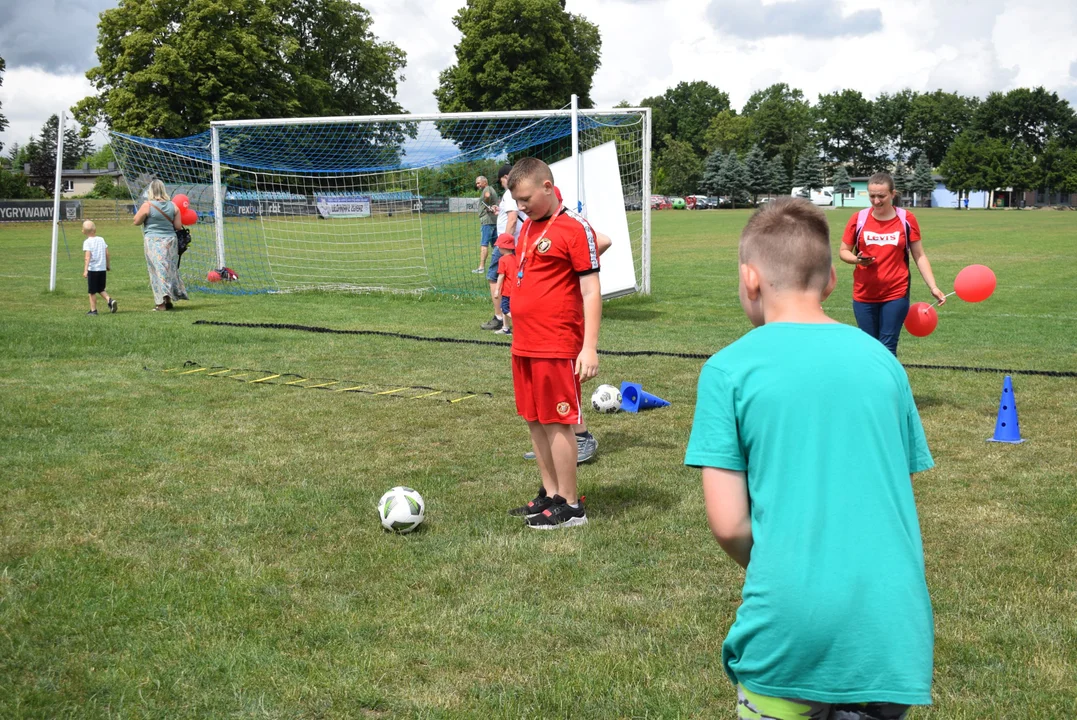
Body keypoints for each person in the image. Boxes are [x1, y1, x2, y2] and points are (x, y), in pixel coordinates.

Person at [685, 197, 935, 720]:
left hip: (792, 622)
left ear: (750, 279)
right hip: (891, 626)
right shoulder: (884, 365)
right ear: (831, 282)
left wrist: (787, 568)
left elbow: (729, 523)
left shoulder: (728, 370)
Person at [504, 158, 601, 529]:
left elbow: (591, 291)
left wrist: (588, 347)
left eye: (526, 198)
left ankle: (571, 505)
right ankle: (550, 492)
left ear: (548, 186)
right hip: (525, 344)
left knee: (559, 421)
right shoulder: (528, 227)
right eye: (517, 201)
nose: (521, 207)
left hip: (557, 344)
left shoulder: (574, 228)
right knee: (535, 420)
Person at [838, 171, 945, 356]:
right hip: (864, 294)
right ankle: (871, 385)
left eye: (882, 196)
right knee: (868, 347)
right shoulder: (859, 219)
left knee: (887, 347)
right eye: (872, 196)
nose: (876, 201)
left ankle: (888, 385)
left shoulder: (906, 219)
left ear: (893, 194)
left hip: (895, 293)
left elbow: (919, 255)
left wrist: (933, 287)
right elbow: (843, 251)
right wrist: (857, 259)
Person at [133, 179, 187, 311]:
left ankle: (160, 303)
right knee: (168, 270)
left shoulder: (147, 205)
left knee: (156, 271)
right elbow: (178, 226)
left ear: (150, 191)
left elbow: (136, 221)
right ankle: (168, 299)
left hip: (153, 241)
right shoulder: (174, 206)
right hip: (170, 241)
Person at [81, 220, 116, 315]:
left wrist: (85, 270)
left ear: (83, 231)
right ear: (95, 230)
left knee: (92, 291)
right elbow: (107, 254)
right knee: (100, 289)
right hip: (102, 269)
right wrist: (108, 265)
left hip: (93, 269)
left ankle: (93, 310)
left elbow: (87, 257)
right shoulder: (101, 239)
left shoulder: (87, 242)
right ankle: (110, 300)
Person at [492, 233, 516, 336]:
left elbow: (501, 276)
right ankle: (505, 328)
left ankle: (521, 323)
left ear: (502, 247)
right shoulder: (515, 258)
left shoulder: (502, 260)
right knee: (506, 308)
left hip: (507, 290)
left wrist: (497, 290)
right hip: (515, 289)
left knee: (505, 309)